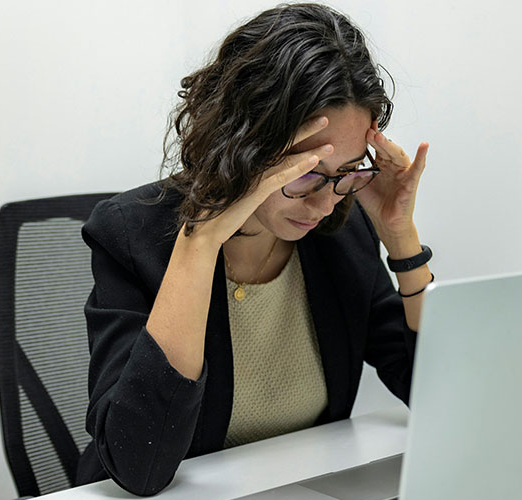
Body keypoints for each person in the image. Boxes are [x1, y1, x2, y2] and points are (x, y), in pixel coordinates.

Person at [76, 2, 432, 496]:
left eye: (347, 172)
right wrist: (200, 244)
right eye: (304, 171)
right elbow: (140, 466)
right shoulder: (131, 234)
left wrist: (401, 241)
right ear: (240, 143)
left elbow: (440, 397)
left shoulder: (340, 235)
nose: (324, 203)